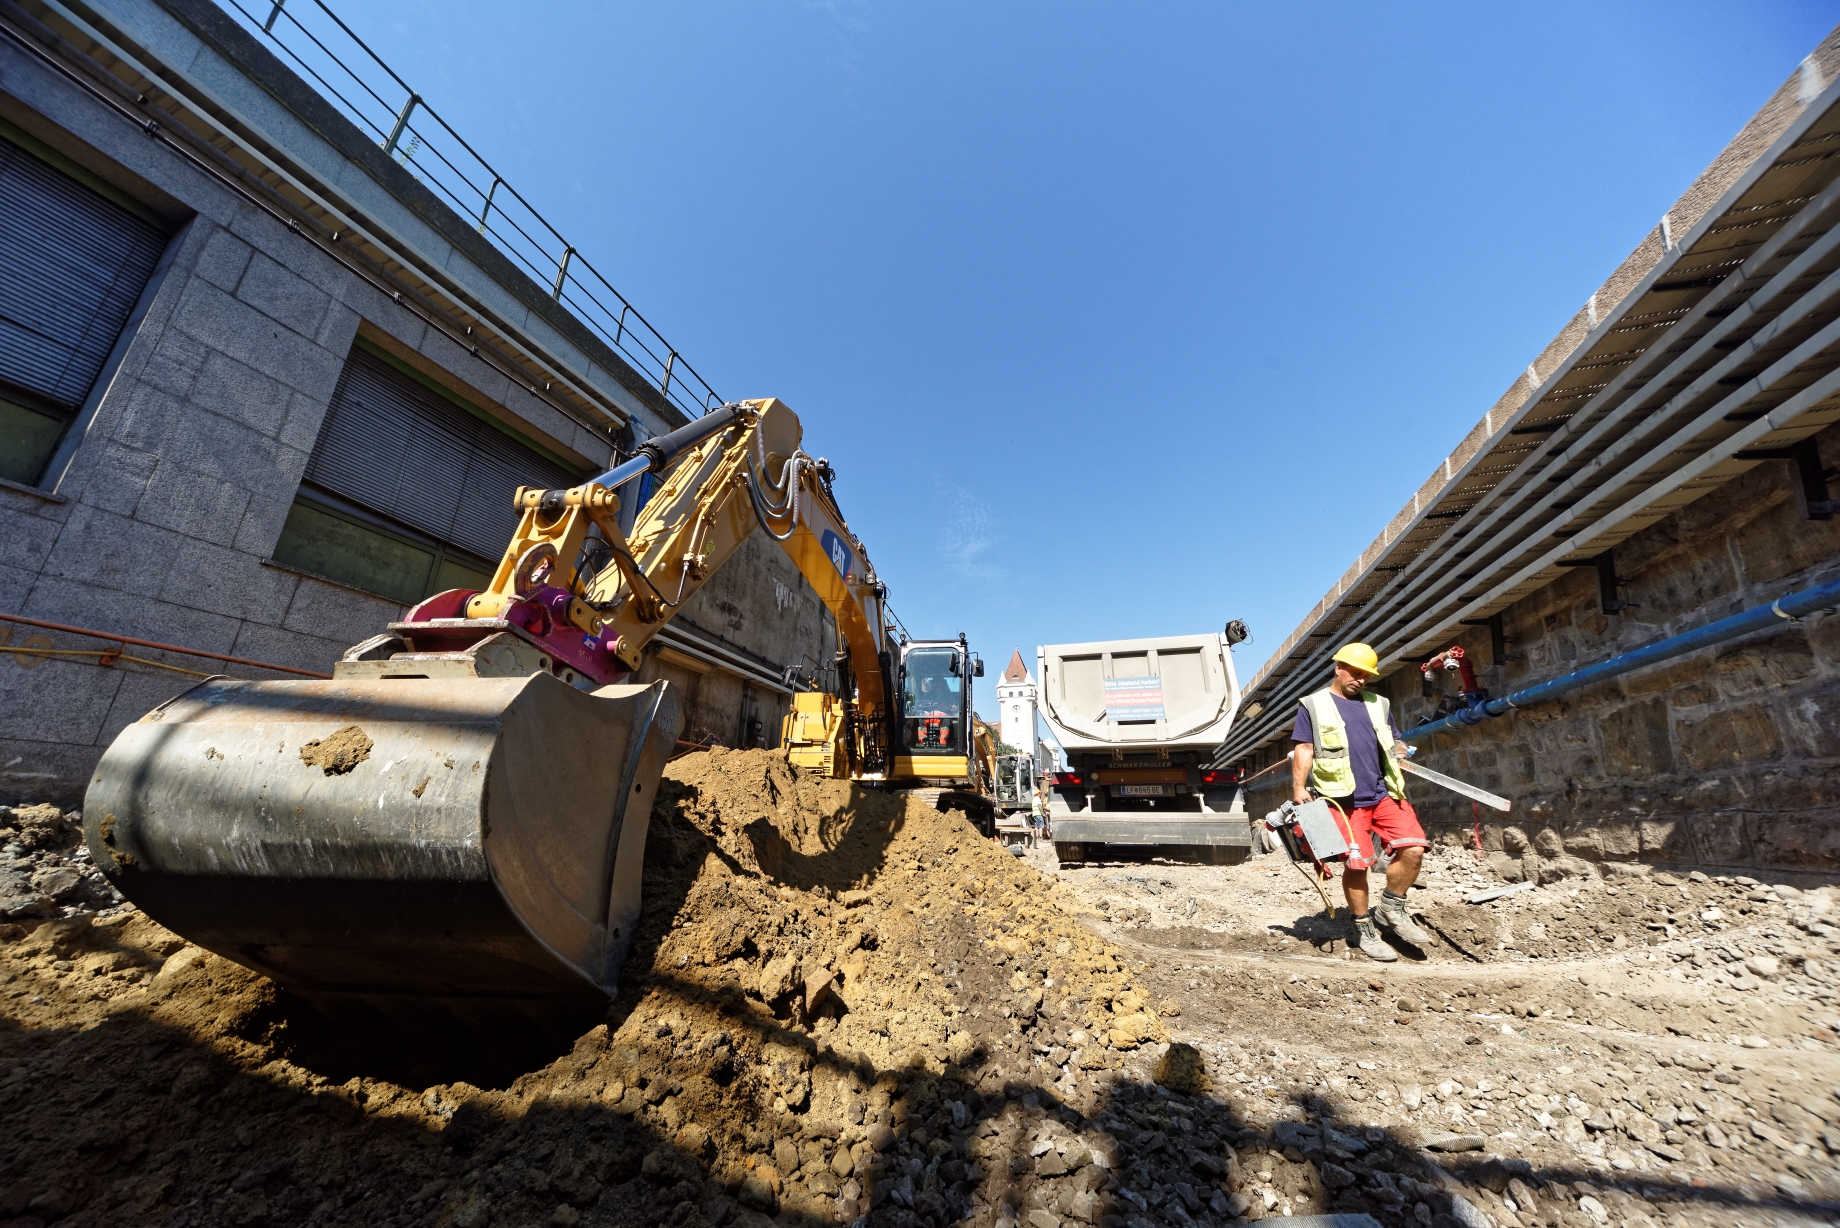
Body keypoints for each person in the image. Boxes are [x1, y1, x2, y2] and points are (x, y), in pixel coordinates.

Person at [1289, 642, 1432, 962]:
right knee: (1357, 864)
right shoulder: (1313, 705)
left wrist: (1399, 749)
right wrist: (1299, 787)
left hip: (1383, 793)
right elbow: (1304, 749)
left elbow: (1393, 739)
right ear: (1338, 668)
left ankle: (1391, 909)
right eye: (1355, 673)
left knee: (1414, 846)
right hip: (1343, 799)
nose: (1361, 680)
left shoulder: (1378, 704)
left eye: (1366, 676)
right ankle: (1363, 928)